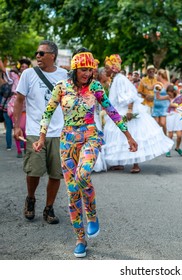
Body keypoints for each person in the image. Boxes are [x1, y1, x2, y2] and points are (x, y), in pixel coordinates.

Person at [32, 48, 138, 258]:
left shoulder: (96, 87)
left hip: (90, 135)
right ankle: (80, 239)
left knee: (83, 175)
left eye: (90, 70)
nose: (87, 74)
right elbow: (47, 113)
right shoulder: (61, 88)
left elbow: (112, 111)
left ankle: (92, 216)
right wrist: (42, 137)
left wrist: (128, 136)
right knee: (72, 193)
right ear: (74, 69)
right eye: (83, 69)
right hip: (68, 140)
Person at [13, 40, 68, 224]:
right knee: (34, 171)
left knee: (56, 173)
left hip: (59, 132)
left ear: (52, 55)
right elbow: (20, 99)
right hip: (35, 131)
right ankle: (31, 198)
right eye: (36, 53)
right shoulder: (28, 74)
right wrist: (16, 125)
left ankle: (49, 207)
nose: (37, 56)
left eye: (41, 53)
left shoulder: (65, 75)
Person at [103, 54, 173, 174]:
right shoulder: (115, 79)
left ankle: (136, 163)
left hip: (126, 111)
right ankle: (119, 162)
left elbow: (131, 95)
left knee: (133, 135)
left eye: (107, 67)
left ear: (113, 68)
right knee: (120, 137)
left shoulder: (120, 79)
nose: (105, 70)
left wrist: (130, 110)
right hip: (119, 111)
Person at [155, 84, 182, 157]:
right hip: (170, 115)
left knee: (179, 135)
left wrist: (175, 105)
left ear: (173, 91)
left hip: (178, 115)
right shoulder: (168, 97)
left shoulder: (180, 97)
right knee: (170, 134)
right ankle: (168, 149)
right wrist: (157, 90)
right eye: (168, 93)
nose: (169, 95)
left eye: (170, 93)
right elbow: (158, 97)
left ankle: (177, 147)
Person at [152, 69, 171, 135]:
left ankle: (165, 136)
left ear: (160, 75)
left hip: (164, 106)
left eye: (157, 75)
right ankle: (158, 137)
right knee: (156, 123)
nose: (156, 76)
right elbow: (151, 90)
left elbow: (171, 95)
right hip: (156, 106)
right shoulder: (156, 84)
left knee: (162, 123)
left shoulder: (168, 84)